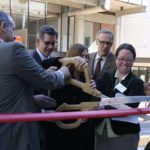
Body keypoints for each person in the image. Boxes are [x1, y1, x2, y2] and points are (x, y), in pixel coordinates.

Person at [0, 11, 86, 150]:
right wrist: (62, 73)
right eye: (13, 29)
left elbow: (7, 92)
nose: (15, 35)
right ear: (3, 26)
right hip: (14, 134)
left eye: (54, 43)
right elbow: (44, 79)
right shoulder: (13, 49)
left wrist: (32, 100)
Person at [94, 43, 145, 150]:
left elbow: (129, 104)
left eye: (129, 59)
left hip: (124, 134)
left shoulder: (137, 82)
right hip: (100, 131)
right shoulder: (107, 75)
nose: (125, 62)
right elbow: (94, 91)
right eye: (121, 58)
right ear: (116, 59)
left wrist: (103, 107)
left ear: (133, 61)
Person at [47, 43, 95, 150]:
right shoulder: (61, 73)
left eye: (87, 57)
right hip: (60, 131)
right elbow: (45, 62)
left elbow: (88, 104)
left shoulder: (87, 79)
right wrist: (71, 60)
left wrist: (92, 89)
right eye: (81, 56)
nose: (85, 60)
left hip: (80, 131)